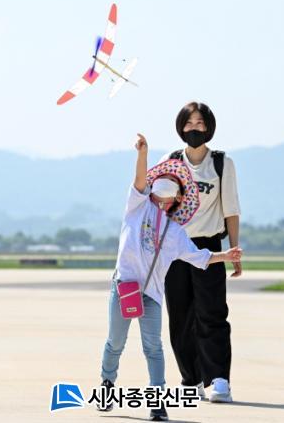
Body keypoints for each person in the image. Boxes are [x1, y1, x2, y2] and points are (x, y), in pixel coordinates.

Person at [98, 133, 242, 421]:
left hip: (150, 294)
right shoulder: (136, 207)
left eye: (167, 200)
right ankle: (107, 385)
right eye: (157, 197)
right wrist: (143, 154)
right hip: (124, 288)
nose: (161, 204)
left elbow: (199, 257)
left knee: (153, 347)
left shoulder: (175, 231)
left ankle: (157, 403)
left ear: (177, 199)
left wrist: (225, 256)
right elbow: (139, 180)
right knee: (115, 342)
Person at [160, 102, 242, 403]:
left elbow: (231, 209)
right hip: (175, 249)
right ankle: (191, 379)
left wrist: (234, 251)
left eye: (200, 123)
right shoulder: (170, 162)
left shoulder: (221, 163)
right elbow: (157, 207)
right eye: (189, 123)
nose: (194, 128)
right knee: (180, 317)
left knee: (212, 314)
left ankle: (219, 379)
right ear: (180, 127)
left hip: (209, 247)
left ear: (209, 127)